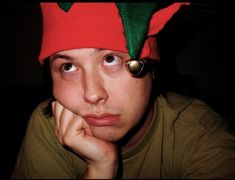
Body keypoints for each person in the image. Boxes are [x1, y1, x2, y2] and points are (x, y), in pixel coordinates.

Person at [12, 2, 235, 179]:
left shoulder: (198, 133)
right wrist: (100, 170)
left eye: (110, 59)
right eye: (68, 67)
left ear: (152, 70)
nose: (92, 94)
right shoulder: (48, 126)